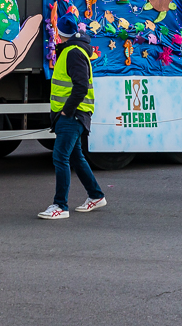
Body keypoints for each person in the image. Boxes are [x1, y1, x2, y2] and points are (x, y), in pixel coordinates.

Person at [39, 14, 106, 220]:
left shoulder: (73, 52)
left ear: (58, 33)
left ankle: (61, 206)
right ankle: (96, 195)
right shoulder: (74, 50)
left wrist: (66, 111)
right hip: (73, 114)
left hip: (72, 115)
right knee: (75, 157)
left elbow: (81, 86)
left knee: (60, 157)